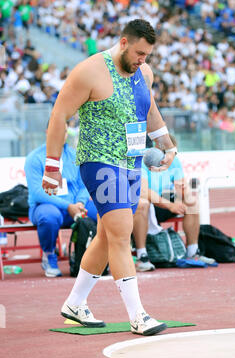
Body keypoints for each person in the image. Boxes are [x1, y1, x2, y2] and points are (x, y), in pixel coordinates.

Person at [42, 19, 177, 336]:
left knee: (105, 236)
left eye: (147, 55)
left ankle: (75, 303)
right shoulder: (89, 71)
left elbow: (150, 108)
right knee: (120, 233)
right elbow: (59, 115)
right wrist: (51, 166)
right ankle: (138, 316)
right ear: (124, 42)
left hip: (131, 163)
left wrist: (167, 144)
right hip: (99, 162)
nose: (142, 60)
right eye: (139, 53)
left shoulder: (144, 72)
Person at [24, 122, 98, 277]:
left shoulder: (75, 155)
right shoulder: (35, 158)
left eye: (65, 131)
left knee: (103, 212)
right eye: (57, 130)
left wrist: (79, 203)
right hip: (46, 206)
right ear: (47, 132)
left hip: (75, 206)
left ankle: (97, 255)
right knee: (49, 217)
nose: (62, 134)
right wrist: (68, 206)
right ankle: (49, 255)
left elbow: (84, 184)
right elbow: (38, 192)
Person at [134, 134, 217, 267]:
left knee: (191, 201)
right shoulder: (144, 161)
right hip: (149, 201)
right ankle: (142, 255)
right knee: (142, 202)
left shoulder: (174, 161)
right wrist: (170, 206)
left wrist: (184, 191)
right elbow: (143, 191)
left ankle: (193, 251)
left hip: (165, 198)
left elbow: (182, 187)